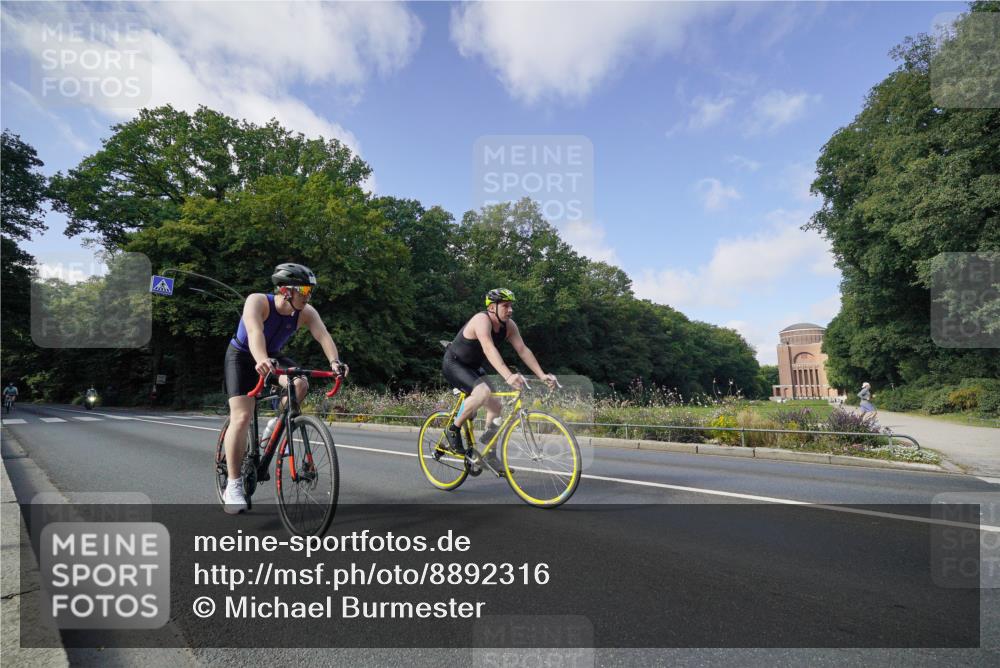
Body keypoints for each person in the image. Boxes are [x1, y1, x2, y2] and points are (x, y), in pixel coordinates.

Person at [221, 263, 349, 514]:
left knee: (300, 383)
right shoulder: (257, 301)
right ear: (285, 290)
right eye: (304, 290)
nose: (308, 295)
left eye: (311, 290)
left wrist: (335, 363)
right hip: (242, 356)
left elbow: (323, 335)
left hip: (272, 355)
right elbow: (254, 332)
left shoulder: (306, 312)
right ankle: (233, 485)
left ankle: (275, 424)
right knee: (242, 416)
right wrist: (261, 360)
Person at [441, 288, 556, 472]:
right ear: (492, 307)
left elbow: (523, 350)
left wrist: (542, 375)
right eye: (505, 306)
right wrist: (508, 376)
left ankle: (490, 455)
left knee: (496, 406)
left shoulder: (509, 326)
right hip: (454, 363)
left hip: (473, 367)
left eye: (511, 306)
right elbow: (488, 348)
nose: (510, 310)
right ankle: (453, 430)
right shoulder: (481, 320)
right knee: (483, 392)